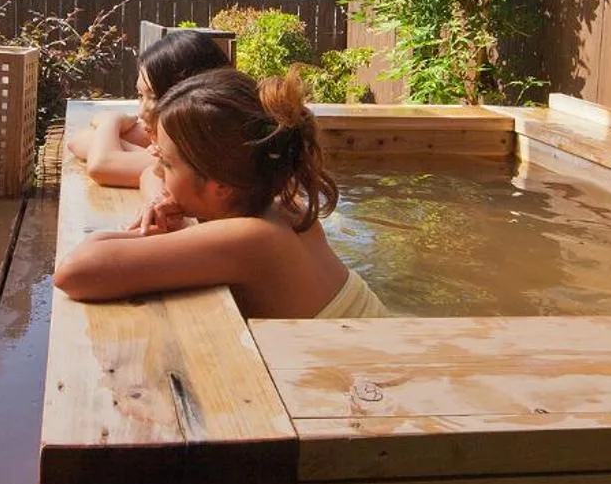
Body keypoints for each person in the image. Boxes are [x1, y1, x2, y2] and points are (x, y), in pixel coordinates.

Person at [54, 66, 387, 320]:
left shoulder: (254, 238)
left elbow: (75, 271)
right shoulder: (279, 201)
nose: (158, 169)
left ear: (221, 186)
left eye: (168, 165)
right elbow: (146, 174)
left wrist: (152, 237)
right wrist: (165, 201)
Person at [65, 28, 232, 187]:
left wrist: (110, 121)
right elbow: (78, 140)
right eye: (140, 96)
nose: (141, 112)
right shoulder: (175, 138)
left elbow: (101, 165)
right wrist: (132, 152)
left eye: (155, 97)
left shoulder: (200, 161)